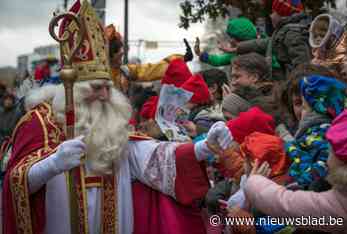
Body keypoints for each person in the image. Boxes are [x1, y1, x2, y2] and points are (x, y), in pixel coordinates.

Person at [2, 2, 229, 233]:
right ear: (75, 88)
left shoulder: (113, 123)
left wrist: (202, 148)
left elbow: (152, 158)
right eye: (97, 87)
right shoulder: (39, 124)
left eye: (108, 87)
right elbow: (15, 183)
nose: (105, 95)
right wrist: (52, 164)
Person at [241, 109, 347, 233]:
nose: (326, 158)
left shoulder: (342, 203)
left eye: (330, 152)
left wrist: (254, 180)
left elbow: (284, 204)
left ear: (342, 163)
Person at [233, 0, 311, 80]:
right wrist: (239, 47)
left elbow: (302, 66)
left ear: (283, 14)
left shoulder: (293, 34)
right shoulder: (284, 31)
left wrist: (296, 85)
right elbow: (269, 42)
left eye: (274, 12)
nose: (271, 16)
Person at [105, 24, 193, 93]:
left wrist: (180, 59)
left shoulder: (125, 71)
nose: (122, 52)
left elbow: (152, 70)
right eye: (116, 48)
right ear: (107, 53)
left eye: (121, 47)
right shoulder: (98, 76)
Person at [195, 17, 280, 71]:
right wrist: (201, 54)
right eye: (231, 37)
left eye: (234, 38)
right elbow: (219, 60)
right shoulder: (238, 53)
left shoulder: (267, 48)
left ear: (245, 39)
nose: (231, 41)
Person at [309, 14, 347, 82]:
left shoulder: (343, 57)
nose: (318, 39)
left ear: (332, 35)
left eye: (322, 35)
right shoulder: (318, 55)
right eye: (315, 36)